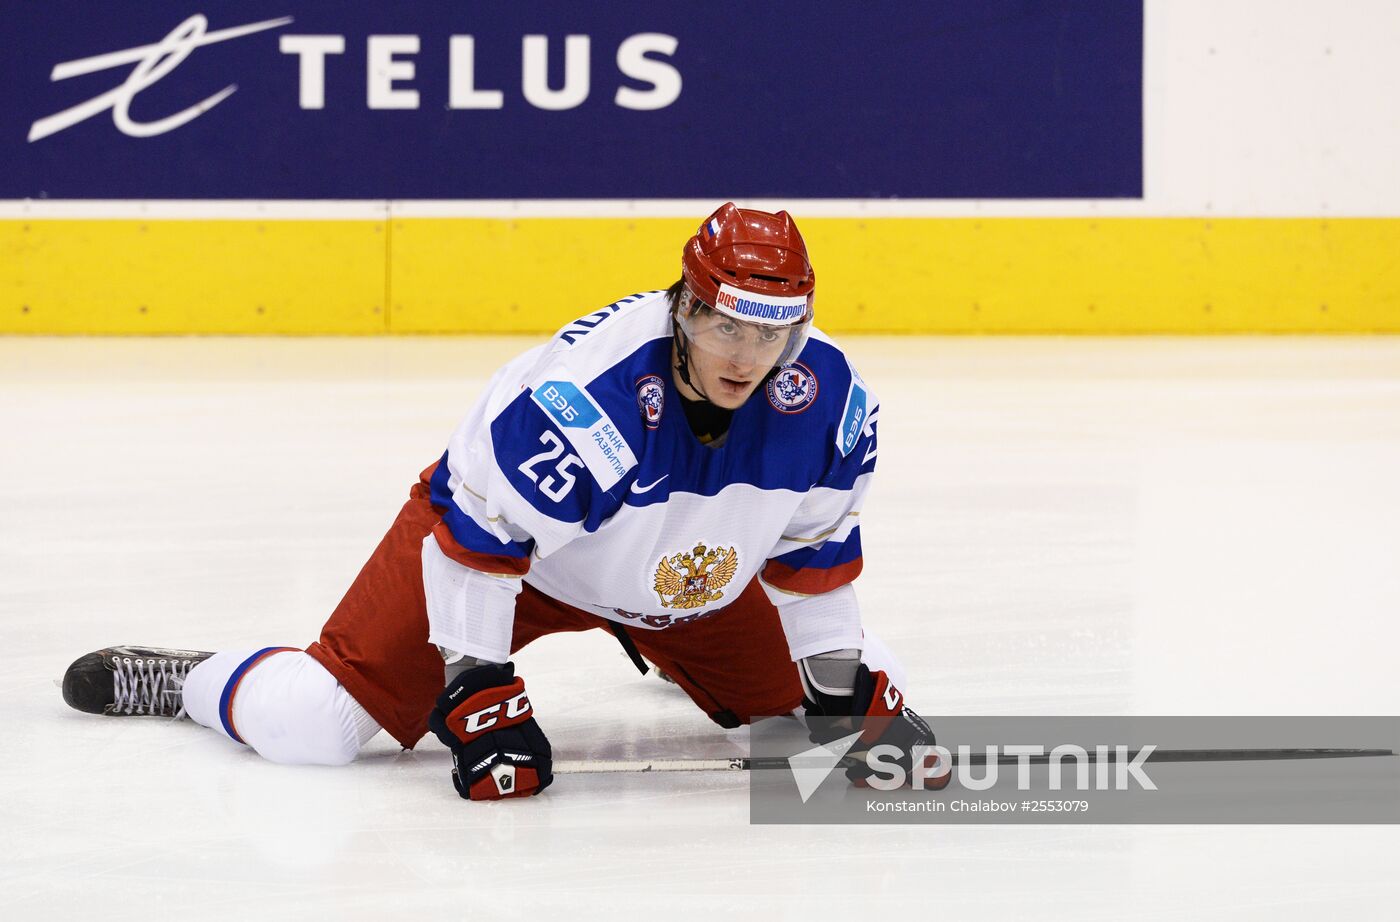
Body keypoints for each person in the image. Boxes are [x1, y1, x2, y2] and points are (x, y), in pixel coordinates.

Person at [61, 203, 936, 800]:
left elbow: (811, 566)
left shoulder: (825, 400)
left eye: (771, 333)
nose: (746, 358)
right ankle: (193, 681)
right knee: (310, 727)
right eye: (723, 328)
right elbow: (477, 542)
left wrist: (835, 693)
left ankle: (687, 662)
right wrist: (476, 683)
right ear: (683, 309)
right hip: (520, 565)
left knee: (826, 718)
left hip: (685, 584)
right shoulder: (584, 398)